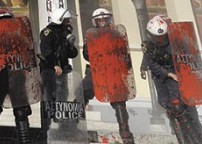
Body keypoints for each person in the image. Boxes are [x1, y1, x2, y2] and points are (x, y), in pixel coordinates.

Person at [142, 14, 202, 143]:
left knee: (180, 107)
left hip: (177, 76)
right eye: (157, 38)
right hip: (163, 79)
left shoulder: (175, 41)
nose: (160, 41)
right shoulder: (149, 46)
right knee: (170, 110)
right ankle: (182, 140)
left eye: (162, 38)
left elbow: (187, 55)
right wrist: (167, 74)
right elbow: (151, 63)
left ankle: (197, 139)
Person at [82, 8, 135, 144]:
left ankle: (125, 134)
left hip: (113, 70)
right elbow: (87, 55)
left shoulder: (117, 34)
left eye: (105, 19)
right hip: (96, 71)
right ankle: (79, 129)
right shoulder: (91, 36)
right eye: (100, 20)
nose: (103, 22)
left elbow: (124, 54)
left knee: (119, 100)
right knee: (81, 94)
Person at [0, 7, 33, 144]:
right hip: (0, 77)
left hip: (17, 76)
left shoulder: (20, 35)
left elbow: (28, 50)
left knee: (21, 112)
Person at [39, 7, 78, 135]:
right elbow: (46, 52)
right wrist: (54, 65)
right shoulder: (48, 32)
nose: (69, 23)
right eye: (67, 20)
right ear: (60, 19)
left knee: (63, 95)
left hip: (63, 70)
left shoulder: (64, 34)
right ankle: (47, 128)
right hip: (49, 70)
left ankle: (62, 125)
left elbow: (72, 54)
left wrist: (71, 45)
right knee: (48, 97)